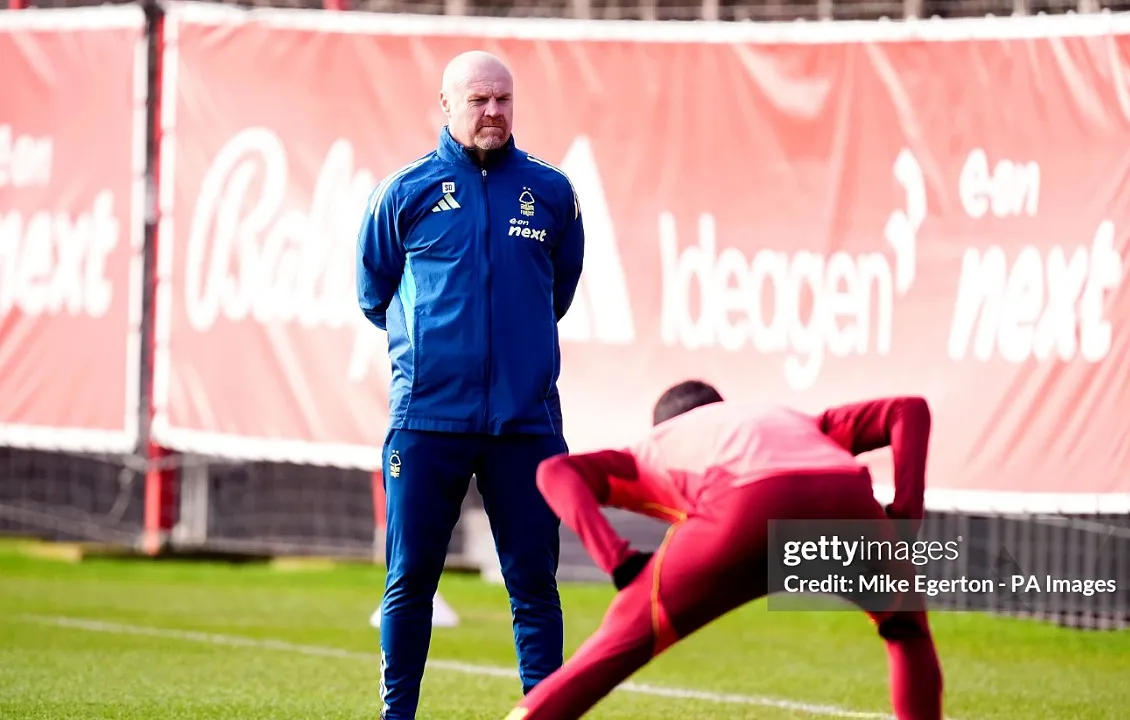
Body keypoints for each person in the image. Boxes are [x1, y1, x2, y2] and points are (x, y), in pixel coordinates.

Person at [356, 50, 585, 720]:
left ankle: (541, 712)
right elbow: (374, 294)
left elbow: (556, 293)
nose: (493, 112)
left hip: (526, 426)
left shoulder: (551, 193)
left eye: (503, 100)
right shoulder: (405, 193)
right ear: (447, 104)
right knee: (410, 583)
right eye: (479, 100)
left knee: (535, 586)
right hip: (428, 423)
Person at [501, 380, 945, 720]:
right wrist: (906, 515)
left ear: (665, 423)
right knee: (906, 633)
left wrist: (619, 561)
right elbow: (908, 410)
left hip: (741, 511)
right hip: (843, 497)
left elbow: (555, 473)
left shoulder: (655, 445)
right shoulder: (789, 419)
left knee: (609, 652)